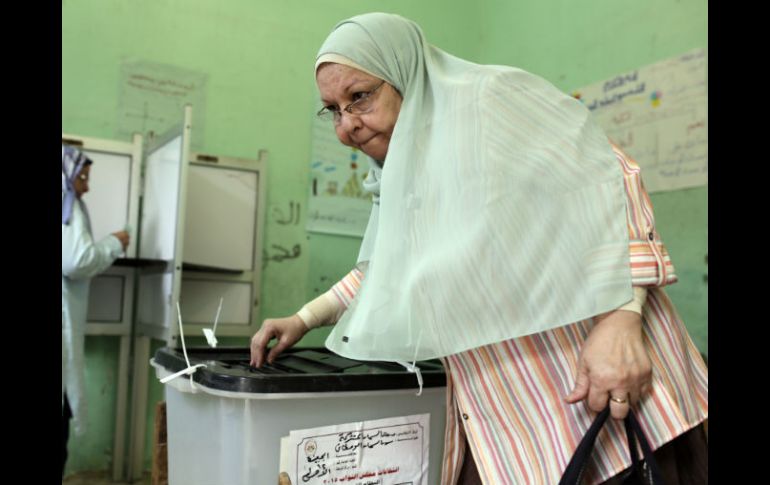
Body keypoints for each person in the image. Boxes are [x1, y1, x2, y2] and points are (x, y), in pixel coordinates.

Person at [253, 13, 708, 484]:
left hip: (605, 391)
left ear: (405, 74)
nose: (347, 126)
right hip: (511, 419)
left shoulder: (491, 106)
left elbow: (610, 177)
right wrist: (304, 318)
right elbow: (387, 267)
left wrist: (620, 320)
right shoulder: (408, 177)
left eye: (360, 96)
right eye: (333, 110)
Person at [62, 144, 130, 477]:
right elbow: (78, 260)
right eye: (82, 177)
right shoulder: (67, 205)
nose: (86, 187)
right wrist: (114, 242)